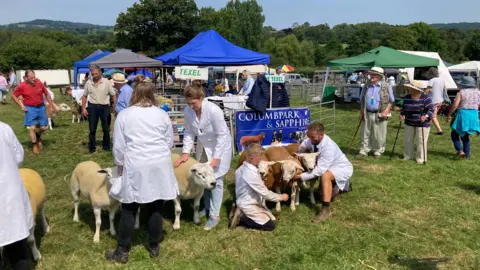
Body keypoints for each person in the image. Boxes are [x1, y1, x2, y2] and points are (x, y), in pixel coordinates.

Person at [105, 82, 178, 264]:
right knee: (155, 205)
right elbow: (169, 141)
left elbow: (119, 145)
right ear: (152, 94)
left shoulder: (125, 114)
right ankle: (154, 246)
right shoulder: (161, 114)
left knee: (129, 207)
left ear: (133, 94)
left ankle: (122, 251)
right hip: (159, 162)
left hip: (136, 162)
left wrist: (119, 164)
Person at [174, 82, 232, 230]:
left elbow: (222, 135)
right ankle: (205, 207)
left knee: (216, 180)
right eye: (188, 103)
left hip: (219, 147)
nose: (191, 106)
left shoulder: (214, 110)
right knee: (203, 178)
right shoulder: (188, 111)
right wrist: (186, 152)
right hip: (203, 147)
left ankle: (214, 215)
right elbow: (188, 132)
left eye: (193, 103)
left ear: (201, 97)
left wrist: (217, 158)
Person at [292, 122, 353, 223]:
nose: (310, 140)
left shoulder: (328, 147)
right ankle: (340, 186)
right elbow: (304, 143)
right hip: (328, 166)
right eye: (309, 136)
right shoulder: (312, 140)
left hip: (342, 168)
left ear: (321, 134)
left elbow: (319, 171)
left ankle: (325, 209)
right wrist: (300, 152)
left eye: (313, 137)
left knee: (325, 176)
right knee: (321, 195)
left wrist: (299, 177)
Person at [0, 121, 32, 270]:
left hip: (8, 194)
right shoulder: (3, 128)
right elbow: (18, 157)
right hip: (8, 195)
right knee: (16, 245)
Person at [234, 144, 289, 231]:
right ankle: (242, 217)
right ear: (252, 158)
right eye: (259, 157)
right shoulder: (251, 173)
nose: (261, 159)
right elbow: (265, 194)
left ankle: (240, 210)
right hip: (248, 204)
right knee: (270, 226)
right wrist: (280, 197)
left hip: (244, 200)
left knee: (272, 218)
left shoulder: (240, 169)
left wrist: (260, 178)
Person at [12, 70, 54, 155]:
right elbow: (13, 95)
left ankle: (38, 136)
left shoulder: (39, 83)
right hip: (30, 108)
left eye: (34, 77)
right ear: (26, 78)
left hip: (41, 107)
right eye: (31, 78)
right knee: (32, 128)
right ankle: (34, 145)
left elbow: (47, 94)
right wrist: (21, 106)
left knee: (44, 128)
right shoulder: (22, 86)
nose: (34, 79)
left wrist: (51, 105)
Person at [358, 67, 395, 158]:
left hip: (380, 113)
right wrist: (362, 111)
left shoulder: (386, 86)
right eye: (371, 74)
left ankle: (377, 151)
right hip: (367, 112)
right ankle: (364, 151)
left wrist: (386, 110)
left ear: (379, 76)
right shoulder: (366, 85)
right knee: (365, 133)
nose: (371, 76)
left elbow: (392, 100)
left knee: (379, 134)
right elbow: (361, 99)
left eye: (374, 74)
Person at [82, 65, 117, 153]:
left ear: (100, 73)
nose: (94, 75)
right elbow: (84, 96)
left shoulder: (107, 82)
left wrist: (114, 106)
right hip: (92, 107)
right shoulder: (88, 82)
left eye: (96, 74)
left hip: (104, 107)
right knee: (92, 129)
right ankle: (92, 147)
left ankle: (106, 147)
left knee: (106, 128)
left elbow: (113, 95)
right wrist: (83, 108)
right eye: (93, 74)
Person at [400, 81, 435, 164]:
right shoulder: (407, 97)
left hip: (422, 123)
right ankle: (407, 156)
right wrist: (402, 115)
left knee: (421, 141)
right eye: (410, 88)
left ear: (417, 89)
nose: (409, 89)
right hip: (409, 122)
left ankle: (420, 159)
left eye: (411, 88)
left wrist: (425, 116)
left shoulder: (425, 98)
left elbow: (431, 110)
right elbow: (403, 109)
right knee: (408, 140)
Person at [446, 76, 480, 160]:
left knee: (454, 134)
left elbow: (455, 105)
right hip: (474, 114)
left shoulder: (461, 92)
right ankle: (467, 155)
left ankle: (460, 151)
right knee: (466, 136)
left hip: (463, 114)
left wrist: (449, 114)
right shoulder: (478, 92)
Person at [426, 67, 447, 135]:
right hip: (440, 100)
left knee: (432, 115)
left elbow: (428, 90)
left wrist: (422, 95)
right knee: (432, 114)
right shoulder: (442, 80)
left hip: (433, 101)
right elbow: (445, 90)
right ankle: (427, 126)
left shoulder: (432, 80)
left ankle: (439, 130)